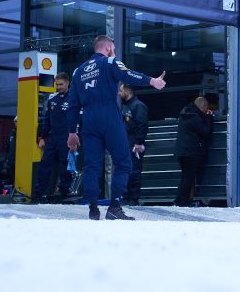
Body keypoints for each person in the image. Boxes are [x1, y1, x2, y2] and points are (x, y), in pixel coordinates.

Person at [66, 35, 166, 221]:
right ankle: (114, 207)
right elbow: (128, 74)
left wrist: (72, 132)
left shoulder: (78, 71)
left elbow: (72, 105)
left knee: (92, 166)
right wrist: (152, 81)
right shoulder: (110, 62)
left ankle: (93, 209)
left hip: (89, 119)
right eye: (113, 48)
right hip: (109, 117)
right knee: (123, 163)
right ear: (108, 48)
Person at [33, 72, 73, 203]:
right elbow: (47, 120)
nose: (59, 87)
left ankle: (63, 194)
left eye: (61, 84)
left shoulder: (74, 99)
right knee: (44, 165)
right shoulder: (52, 100)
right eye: (57, 84)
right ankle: (39, 194)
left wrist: (75, 137)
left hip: (66, 139)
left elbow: (78, 120)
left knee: (64, 167)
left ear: (67, 83)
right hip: (52, 139)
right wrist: (42, 137)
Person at [173, 97, 213, 207]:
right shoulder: (195, 117)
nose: (206, 110)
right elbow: (205, 131)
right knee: (188, 177)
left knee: (185, 177)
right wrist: (209, 118)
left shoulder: (186, 114)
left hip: (181, 151)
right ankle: (183, 201)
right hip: (190, 152)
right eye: (206, 108)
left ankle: (179, 200)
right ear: (203, 106)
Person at [119, 83, 148, 206]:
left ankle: (133, 199)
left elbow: (142, 124)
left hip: (134, 144)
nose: (119, 93)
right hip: (125, 143)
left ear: (127, 91)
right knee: (125, 171)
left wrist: (138, 142)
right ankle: (125, 198)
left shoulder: (138, 105)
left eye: (120, 91)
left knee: (134, 171)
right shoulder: (125, 106)